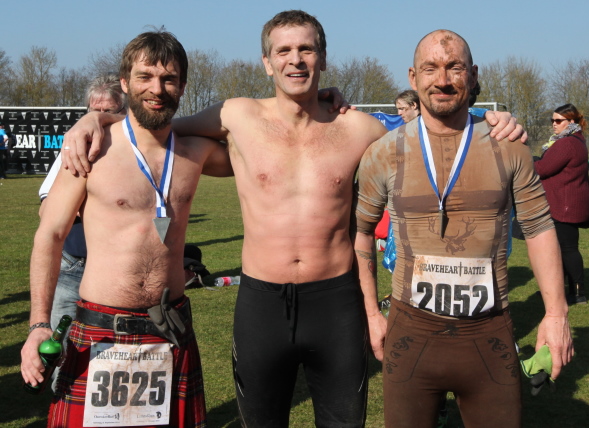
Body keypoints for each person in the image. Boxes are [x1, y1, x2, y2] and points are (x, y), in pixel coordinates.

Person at [61, 11, 525, 427]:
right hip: (261, 306)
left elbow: (434, 127)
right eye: (283, 51)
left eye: (306, 49)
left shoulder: (359, 128)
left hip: (336, 304)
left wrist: (492, 121)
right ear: (267, 62)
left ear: (323, 58)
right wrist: (96, 122)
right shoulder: (236, 116)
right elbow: (153, 124)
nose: (295, 59)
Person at [353, 30, 573, 428]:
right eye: (430, 68)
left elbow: (540, 228)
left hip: (488, 335)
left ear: (472, 75)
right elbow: (361, 233)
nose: (442, 79)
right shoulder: (383, 152)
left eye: (454, 67)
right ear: (413, 77)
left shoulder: (509, 145)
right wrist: (371, 313)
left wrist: (556, 315)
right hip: (410, 335)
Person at [21, 29, 232, 428]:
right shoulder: (90, 149)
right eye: (145, 77)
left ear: (183, 86)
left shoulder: (196, 152)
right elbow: (49, 235)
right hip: (99, 329)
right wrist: (38, 325)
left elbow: (259, 142)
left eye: (169, 79)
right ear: (124, 82)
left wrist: (316, 101)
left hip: (169, 328)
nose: (157, 88)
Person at [39, 74, 127, 334]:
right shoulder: (76, 145)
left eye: (108, 112)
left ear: (124, 110)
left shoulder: (134, 149)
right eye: (94, 111)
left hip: (116, 267)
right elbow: (46, 209)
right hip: (73, 263)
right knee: (59, 343)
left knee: (108, 344)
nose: (98, 118)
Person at [534, 104, 589, 305]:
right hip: (568, 202)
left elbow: (542, 168)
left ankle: (578, 293)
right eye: (552, 120)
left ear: (571, 122)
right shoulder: (576, 140)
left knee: (567, 249)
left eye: (558, 120)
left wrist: (528, 161)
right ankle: (567, 290)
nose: (554, 124)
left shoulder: (566, 143)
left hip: (564, 205)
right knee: (565, 249)